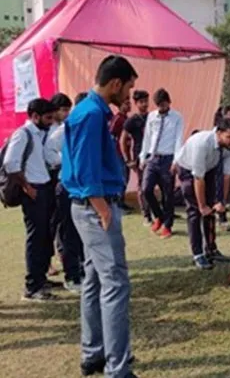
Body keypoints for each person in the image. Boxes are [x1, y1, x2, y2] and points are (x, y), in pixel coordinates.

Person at [61, 55, 138, 377]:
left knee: (94, 281)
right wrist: (104, 210)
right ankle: (117, 368)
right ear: (115, 83)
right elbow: (85, 168)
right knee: (115, 284)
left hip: (91, 207)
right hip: (95, 208)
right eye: (129, 88)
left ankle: (93, 354)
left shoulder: (91, 111)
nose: (129, 95)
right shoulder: (91, 114)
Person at [3, 98, 57, 301]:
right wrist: (27, 187)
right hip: (34, 191)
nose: (51, 122)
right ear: (35, 116)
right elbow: (10, 162)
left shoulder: (39, 134)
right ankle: (32, 287)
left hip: (43, 187)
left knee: (45, 236)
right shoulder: (23, 134)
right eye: (48, 118)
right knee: (36, 238)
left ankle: (41, 278)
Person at [176, 118, 230, 269]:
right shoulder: (202, 143)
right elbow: (198, 177)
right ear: (218, 133)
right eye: (229, 137)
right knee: (195, 211)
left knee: (212, 209)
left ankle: (211, 249)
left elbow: (226, 176)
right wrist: (202, 206)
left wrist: (222, 201)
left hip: (210, 167)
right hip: (188, 169)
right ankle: (198, 254)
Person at [46, 93, 88, 294]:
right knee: (67, 232)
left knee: (81, 231)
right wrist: (66, 162)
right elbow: (48, 151)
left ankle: (82, 270)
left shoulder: (88, 128)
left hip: (82, 186)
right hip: (65, 185)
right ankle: (72, 275)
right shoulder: (64, 130)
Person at [140, 88, 184, 239]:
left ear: (169, 102)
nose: (162, 107)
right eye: (159, 105)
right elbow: (147, 137)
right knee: (146, 189)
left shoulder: (177, 117)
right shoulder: (152, 116)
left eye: (164, 104)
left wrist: (176, 160)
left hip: (168, 158)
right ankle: (158, 216)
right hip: (153, 157)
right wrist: (143, 157)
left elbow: (178, 139)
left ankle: (167, 225)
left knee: (168, 194)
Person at [47, 93, 73, 277]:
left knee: (61, 221)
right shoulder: (48, 130)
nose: (66, 113)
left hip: (60, 178)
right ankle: (46, 261)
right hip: (48, 178)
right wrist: (63, 161)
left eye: (68, 110)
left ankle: (64, 255)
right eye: (63, 110)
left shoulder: (64, 128)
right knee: (48, 223)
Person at [121, 89, 151, 226]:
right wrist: (128, 160)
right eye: (141, 102)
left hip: (154, 155)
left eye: (146, 101)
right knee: (142, 186)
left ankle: (162, 213)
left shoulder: (153, 117)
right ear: (136, 103)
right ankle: (146, 215)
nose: (144, 104)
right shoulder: (131, 121)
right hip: (139, 156)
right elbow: (122, 140)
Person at [110, 97, 132, 212]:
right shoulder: (118, 118)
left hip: (126, 153)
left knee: (126, 177)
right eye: (126, 104)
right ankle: (118, 203)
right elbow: (111, 134)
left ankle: (122, 201)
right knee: (121, 177)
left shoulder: (126, 119)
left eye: (129, 103)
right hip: (118, 153)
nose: (128, 106)